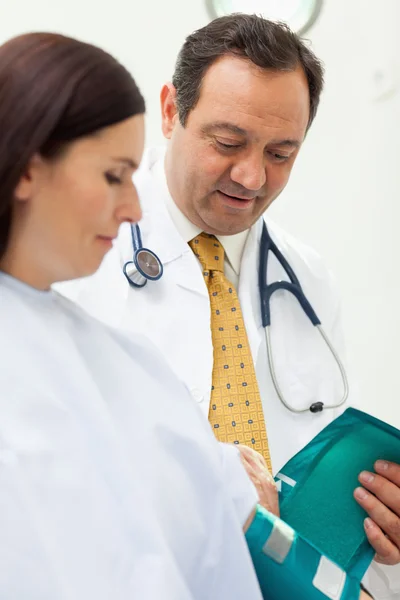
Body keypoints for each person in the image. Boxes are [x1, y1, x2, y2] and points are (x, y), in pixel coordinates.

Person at [57, 14, 400, 598]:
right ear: (170, 111)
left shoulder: (308, 278)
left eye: (281, 153)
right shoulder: (72, 261)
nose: (251, 176)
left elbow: (313, 484)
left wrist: (381, 532)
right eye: (228, 143)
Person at [0, 31, 268, 600]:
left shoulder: (132, 366)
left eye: (281, 152)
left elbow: (243, 533)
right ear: (26, 167)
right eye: (113, 175)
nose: (133, 207)